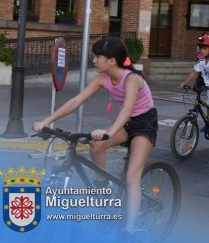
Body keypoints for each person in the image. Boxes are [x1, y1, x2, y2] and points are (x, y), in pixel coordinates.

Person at [33, 37, 158, 239]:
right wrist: (47, 121)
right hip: (125, 122)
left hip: (145, 122)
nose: (94, 60)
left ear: (111, 61)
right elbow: (75, 101)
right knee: (96, 146)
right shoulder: (103, 78)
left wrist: (109, 130)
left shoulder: (132, 79)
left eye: (98, 56)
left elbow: (127, 109)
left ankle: (129, 231)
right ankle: (102, 186)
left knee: (131, 177)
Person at [180, 35, 209, 135]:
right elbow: (194, 71)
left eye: (205, 48)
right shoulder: (201, 60)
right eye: (201, 48)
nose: (202, 50)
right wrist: (185, 82)